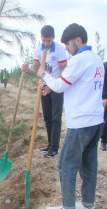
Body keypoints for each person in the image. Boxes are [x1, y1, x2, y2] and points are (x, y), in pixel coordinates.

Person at [37, 23, 104, 209]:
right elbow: (75, 85)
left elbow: (58, 85)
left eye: (67, 43)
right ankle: (86, 206)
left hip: (81, 123)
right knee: (89, 164)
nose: (65, 47)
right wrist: (52, 86)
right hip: (96, 121)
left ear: (78, 40)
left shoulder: (79, 60)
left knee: (66, 163)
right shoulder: (97, 60)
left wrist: (43, 75)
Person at [22, 25, 67, 158]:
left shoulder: (59, 49)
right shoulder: (38, 50)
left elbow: (64, 69)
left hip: (57, 87)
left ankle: (54, 148)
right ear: (41, 38)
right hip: (43, 86)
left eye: (48, 40)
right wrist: (26, 70)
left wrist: (52, 86)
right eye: (44, 40)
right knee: (47, 117)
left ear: (53, 37)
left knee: (56, 117)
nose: (46, 43)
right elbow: (36, 71)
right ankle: (49, 144)